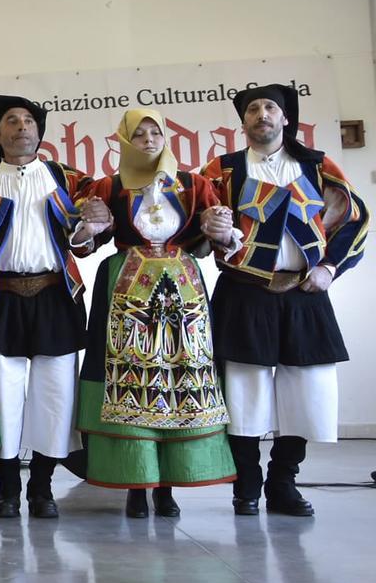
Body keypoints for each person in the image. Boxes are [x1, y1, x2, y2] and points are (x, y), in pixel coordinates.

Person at [200, 84, 367, 517]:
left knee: (306, 392)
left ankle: (283, 482)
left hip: (304, 292)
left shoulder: (317, 165)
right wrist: (211, 229)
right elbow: (200, 222)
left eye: (270, 107)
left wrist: (329, 268)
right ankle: (247, 485)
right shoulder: (222, 170)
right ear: (243, 122)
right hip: (244, 292)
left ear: (286, 117)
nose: (262, 114)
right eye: (253, 109)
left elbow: (355, 218)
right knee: (242, 394)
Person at [0, 94, 108, 518]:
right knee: (2, 394)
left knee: (55, 395)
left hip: (55, 297)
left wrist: (94, 223)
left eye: (29, 120)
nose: (22, 126)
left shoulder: (68, 178)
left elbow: (90, 234)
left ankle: (42, 487)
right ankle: (7, 488)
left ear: (39, 132)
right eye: (11, 120)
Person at [76, 109, 235, 518]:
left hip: (182, 292)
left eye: (155, 133)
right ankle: (136, 481)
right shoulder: (109, 187)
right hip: (126, 289)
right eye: (139, 134)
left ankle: (167, 486)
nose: (149, 140)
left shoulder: (194, 185)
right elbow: (86, 245)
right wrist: (90, 228)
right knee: (131, 380)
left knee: (180, 381)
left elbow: (216, 242)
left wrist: (219, 226)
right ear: (125, 141)